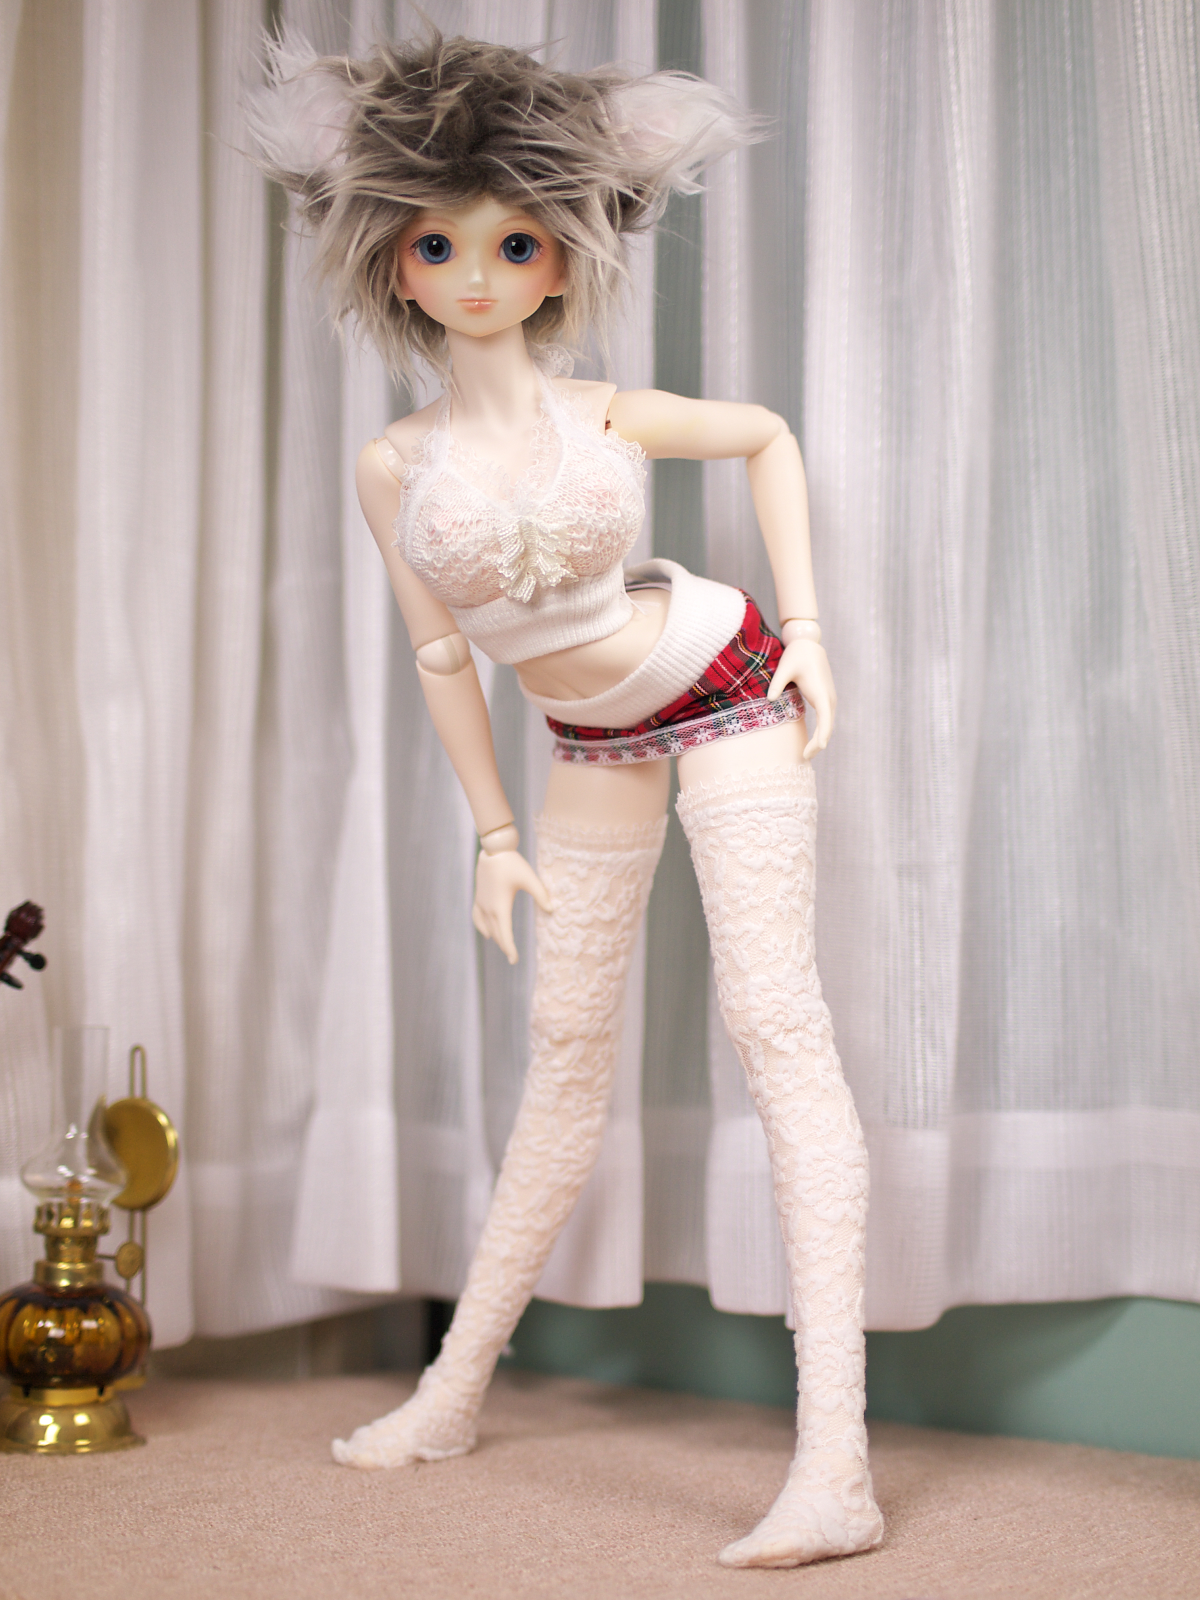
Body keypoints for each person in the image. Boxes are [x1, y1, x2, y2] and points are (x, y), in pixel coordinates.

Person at [249, 29, 882, 1570]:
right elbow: (442, 655)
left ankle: (837, 1467)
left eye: (514, 243)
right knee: (563, 1064)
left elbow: (766, 437)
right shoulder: (392, 464)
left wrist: (807, 629)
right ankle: (451, 1393)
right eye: (439, 244)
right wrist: (492, 831)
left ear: (561, 257)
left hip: (725, 682)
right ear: (390, 260)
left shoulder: (603, 410)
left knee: (777, 1027)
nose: (477, 275)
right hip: (588, 739)